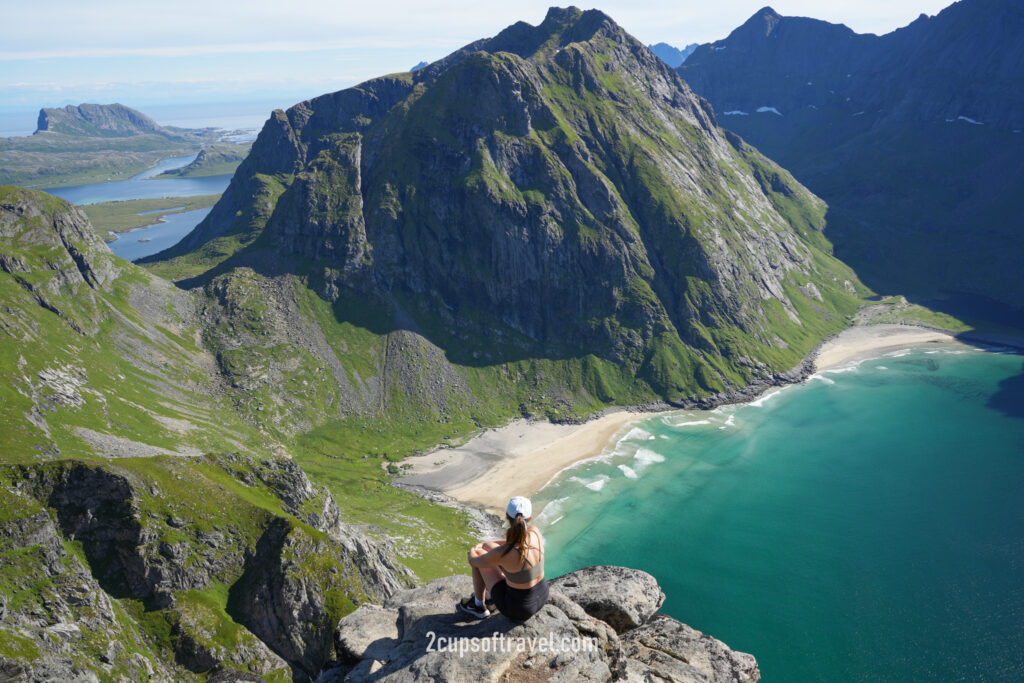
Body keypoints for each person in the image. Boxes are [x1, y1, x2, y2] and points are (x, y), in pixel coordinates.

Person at [458, 495, 549, 621]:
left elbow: (474, 562)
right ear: (530, 518)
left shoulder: (504, 553)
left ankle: (478, 606)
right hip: (542, 596)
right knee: (489, 548)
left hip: (518, 610)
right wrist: (486, 545)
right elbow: (513, 543)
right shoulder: (535, 533)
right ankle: (490, 599)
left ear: (507, 516)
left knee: (479, 555)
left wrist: (473, 551)